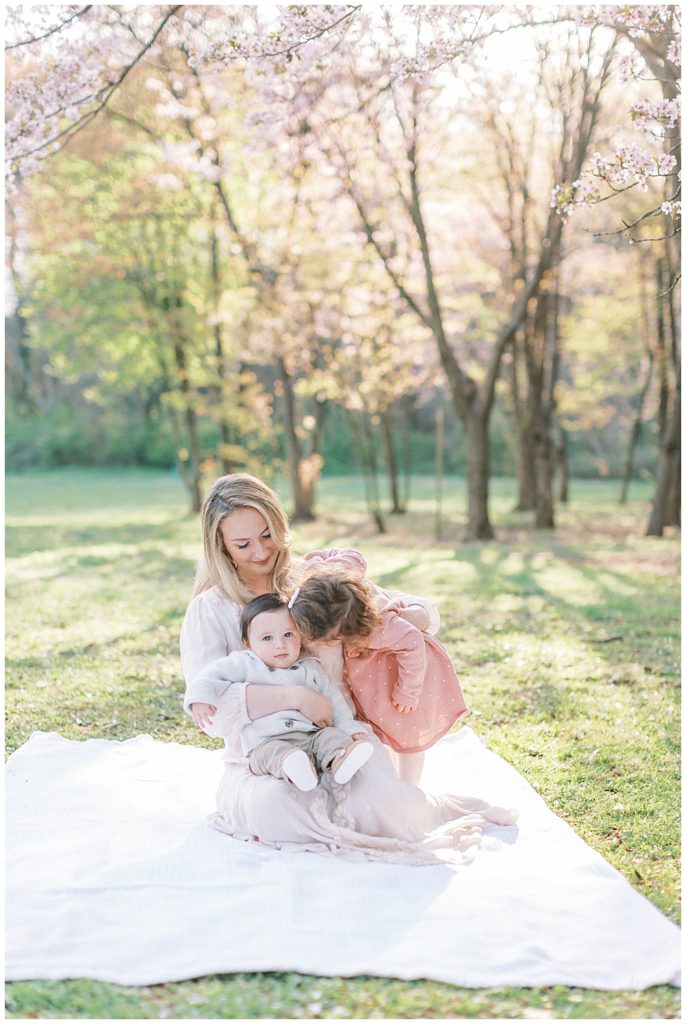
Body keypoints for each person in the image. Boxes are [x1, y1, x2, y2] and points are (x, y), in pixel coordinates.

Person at [181, 472, 516, 865]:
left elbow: (394, 606)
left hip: (340, 737)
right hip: (263, 758)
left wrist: (413, 616)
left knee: (385, 804)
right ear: (220, 545)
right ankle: (349, 824)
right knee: (274, 808)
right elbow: (212, 713)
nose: (259, 551)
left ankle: (436, 807)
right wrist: (297, 697)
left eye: (267, 535)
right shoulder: (211, 608)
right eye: (243, 544)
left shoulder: (307, 580)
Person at [287, 567, 469, 783]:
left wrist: (407, 692)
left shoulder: (379, 626)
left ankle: (411, 785)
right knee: (389, 730)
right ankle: (395, 778)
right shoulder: (335, 599)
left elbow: (412, 642)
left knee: (409, 734)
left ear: (346, 629)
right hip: (380, 680)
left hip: (408, 679)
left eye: (328, 640)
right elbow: (348, 556)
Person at [185, 592, 373, 791]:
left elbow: (335, 704)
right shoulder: (244, 663)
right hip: (267, 742)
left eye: (288, 634)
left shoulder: (311, 667)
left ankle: (340, 762)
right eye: (267, 638)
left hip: (311, 737)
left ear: (300, 636)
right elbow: (211, 675)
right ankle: (294, 768)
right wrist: (200, 699)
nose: (280, 645)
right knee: (274, 755)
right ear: (248, 643)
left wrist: (352, 731)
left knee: (331, 738)